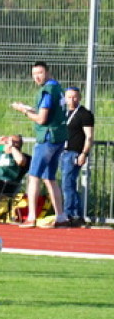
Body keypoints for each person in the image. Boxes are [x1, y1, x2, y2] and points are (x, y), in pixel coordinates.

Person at [11, 60, 68, 228]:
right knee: (49, 178)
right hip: (59, 137)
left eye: (40, 73)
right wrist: (28, 108)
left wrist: (24, 111)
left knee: (33, 176)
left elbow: (42, 119)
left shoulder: (47, 90)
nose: (37, 77)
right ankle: (61, 216)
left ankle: (31, 217)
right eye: (34, 74)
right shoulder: (58, 88)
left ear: (48, 72)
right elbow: (49, 113)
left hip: (47, 138)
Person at [60, 86, 94, 227]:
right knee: (69, 185)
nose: (71, 100)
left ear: (79, 97)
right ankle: (76, 214)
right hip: (63, 153)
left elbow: (89, 136)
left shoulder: (84, 114)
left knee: (67, 185)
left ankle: (70, 214)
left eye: (74, 97)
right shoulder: (63, 113)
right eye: (69, 97)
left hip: (74, 153)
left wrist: (84, 153)